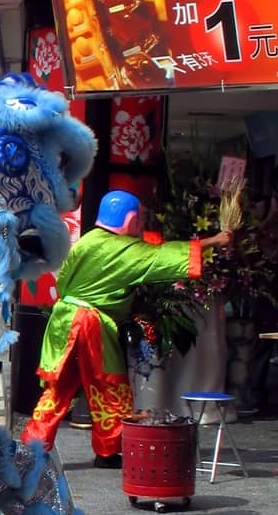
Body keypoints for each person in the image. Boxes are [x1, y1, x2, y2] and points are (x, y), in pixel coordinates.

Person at [21, 189, 231, 466]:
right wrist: (214, 240)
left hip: (64, 319)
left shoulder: (86, 241)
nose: (142, 226)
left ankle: (32, 446)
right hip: (92, 325)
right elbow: (165, 257)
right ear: (130, 220)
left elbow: (64, 284)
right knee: (108, 387)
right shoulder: (127, 251)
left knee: (58, 389)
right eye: (140, 220)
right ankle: (108, 450)